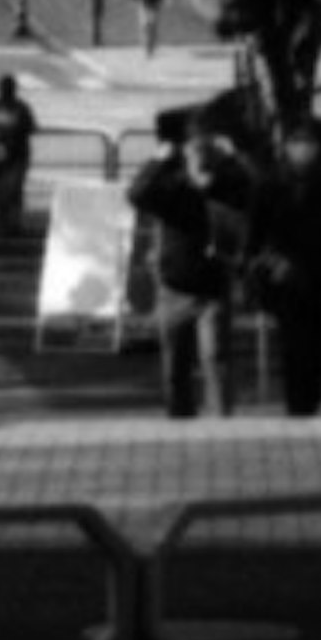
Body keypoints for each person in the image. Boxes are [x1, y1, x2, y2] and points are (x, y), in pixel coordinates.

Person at [123, 120, 242, 421]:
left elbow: (253, 188)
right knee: (175, 368)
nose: (200, 160)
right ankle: (179, 425)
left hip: (213, 290)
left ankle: (221, 425)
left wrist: (231, 157)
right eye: (193, 152)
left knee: (215, 360)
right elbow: (137, 194)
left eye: (205, 152)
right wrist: (158, 160)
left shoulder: (228, 184)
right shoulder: (174, 189)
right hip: (175, 289)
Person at [246, 109, 321, 417]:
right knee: (293, 347)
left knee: (317, 347)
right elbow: (255, 236)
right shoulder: (268, 186)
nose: (301, 148)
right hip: (284, 277)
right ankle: (297, 406)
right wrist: (265, 264)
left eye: (307, 141)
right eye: (295, 141)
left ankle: (311, 399)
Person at [0, 72, 38, 238]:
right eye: (5, 89)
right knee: (0, 193)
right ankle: (5, 222)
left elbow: (31, 127)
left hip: (17, 156)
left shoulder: (21, 108)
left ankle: (13, 224)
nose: (7, 92)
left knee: (14, 191)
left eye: (8, 89)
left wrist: (11, 134)